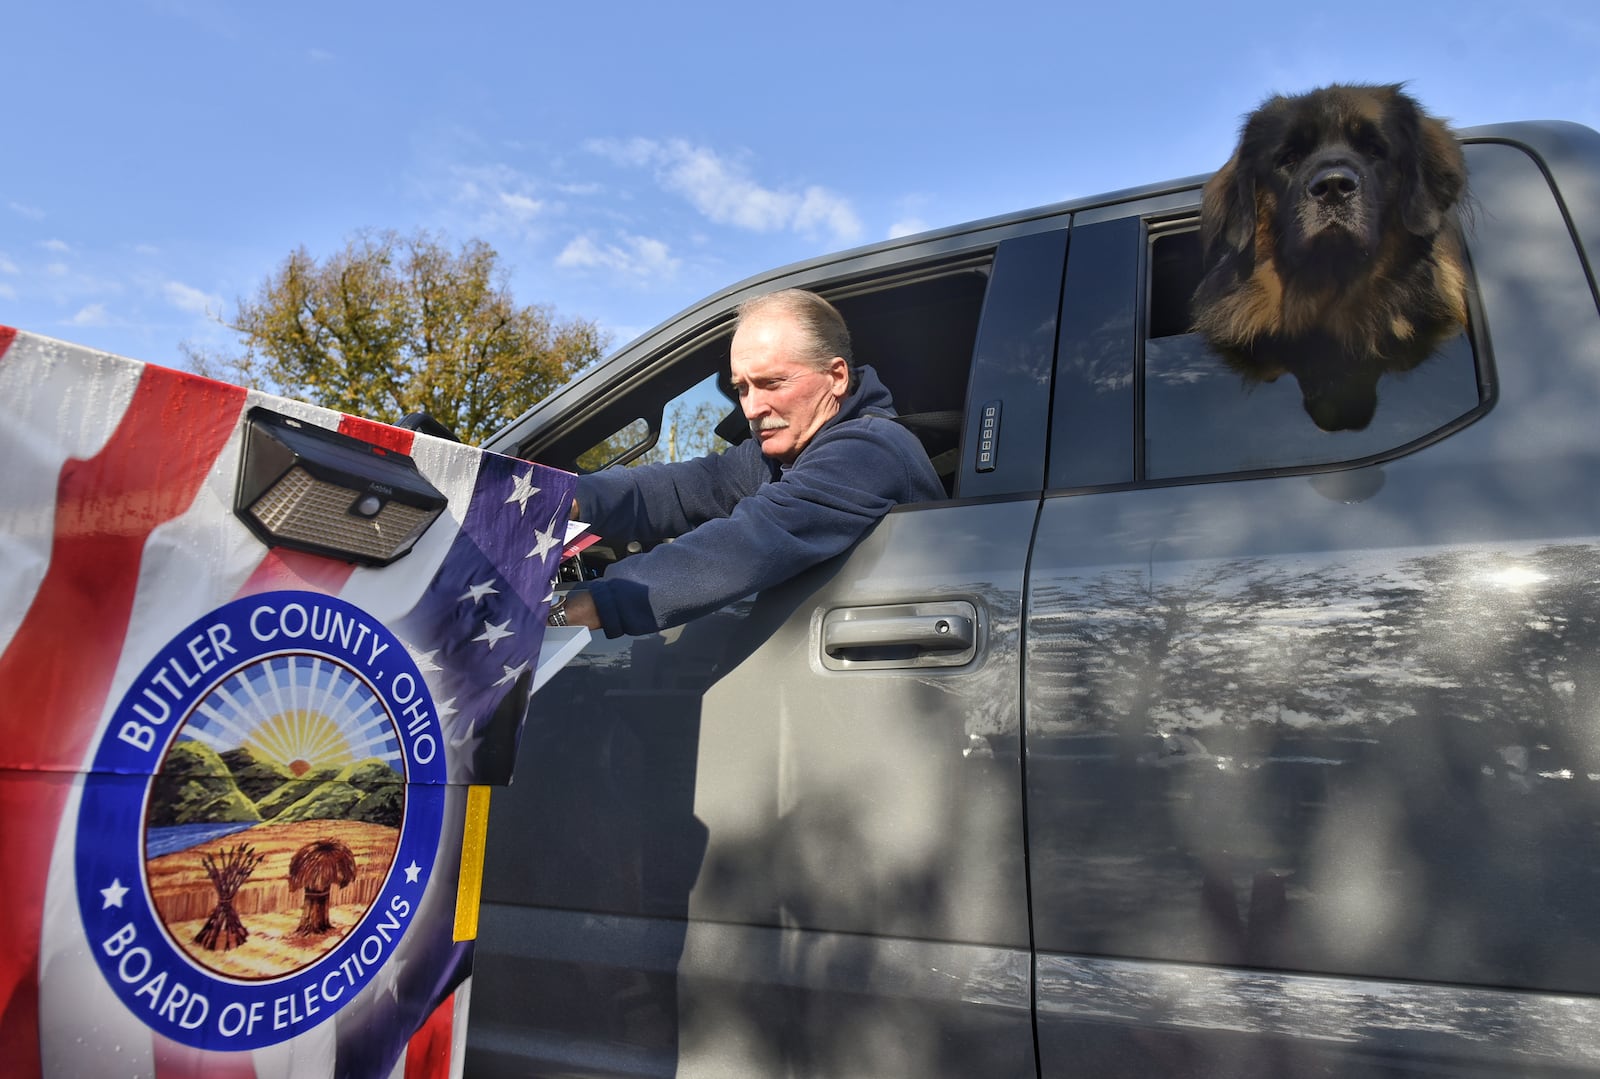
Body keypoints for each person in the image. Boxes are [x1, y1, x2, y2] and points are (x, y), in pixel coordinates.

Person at [549, 288, 945, 637]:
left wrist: (570, 611)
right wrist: (558, 499)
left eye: (773, 383)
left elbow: (748, 543)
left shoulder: (869, 450)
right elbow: (687, 487)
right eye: (742, 388)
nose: (753, 408)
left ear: (836, 377)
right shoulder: (784, 453)